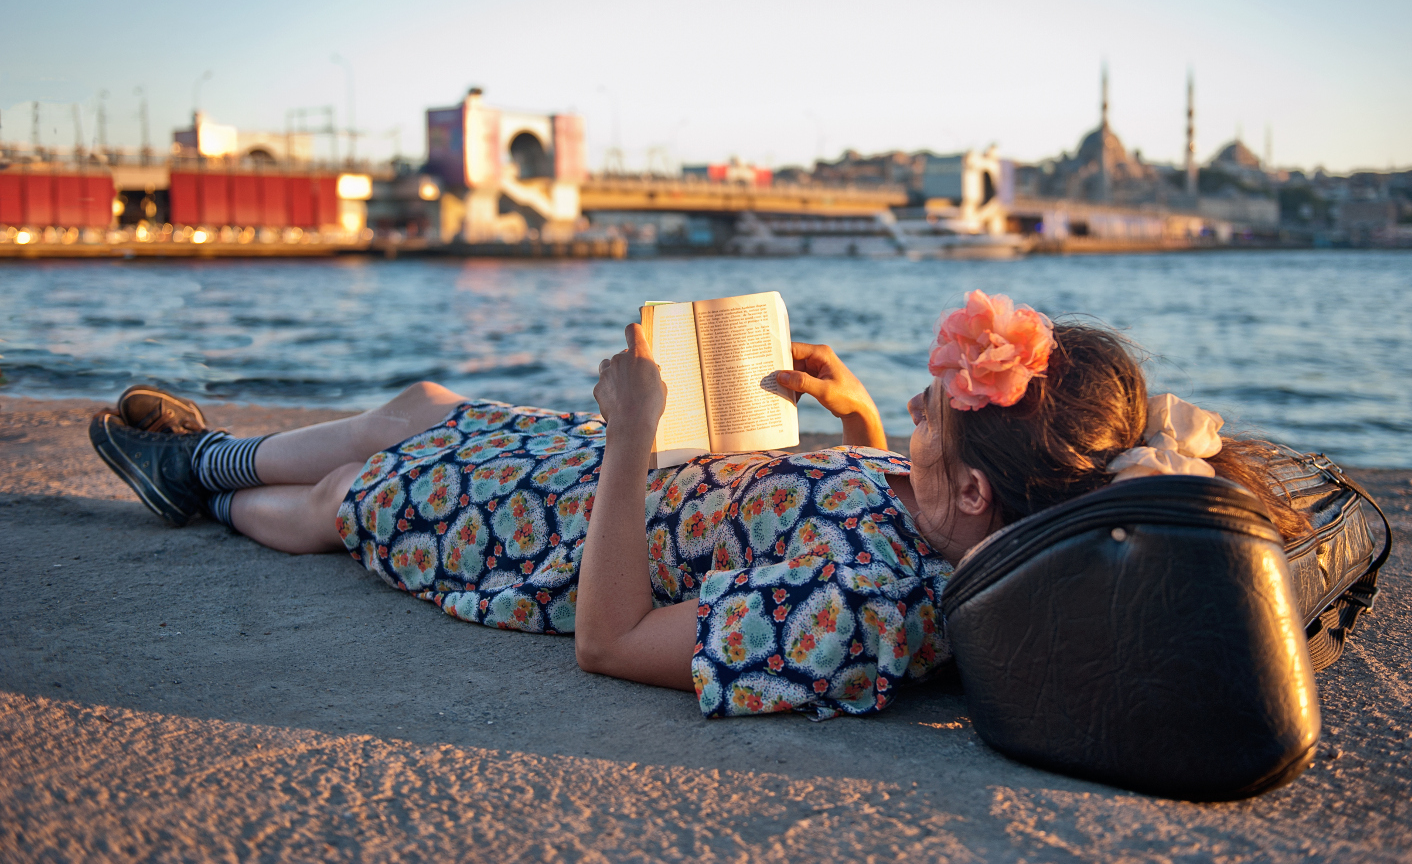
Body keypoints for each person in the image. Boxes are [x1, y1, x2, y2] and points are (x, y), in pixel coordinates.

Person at [90, 290, 1306, 720]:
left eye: (933, 417)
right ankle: (217, 452)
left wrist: (628, 433)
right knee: (424, 400)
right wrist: (863, 430)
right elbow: (889, 502)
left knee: (348, 498)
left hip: (561, 536)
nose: (918, 420)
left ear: (981, 485)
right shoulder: (969, 523)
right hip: (631, 480)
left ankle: (199, 488)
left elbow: (610, 637)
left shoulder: (850, 616)